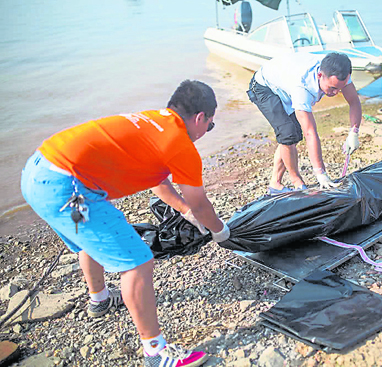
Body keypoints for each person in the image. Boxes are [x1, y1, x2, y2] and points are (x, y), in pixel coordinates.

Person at [20, 80, 229, 367]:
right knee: (138, 263)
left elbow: (158, 179)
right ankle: (156, 352)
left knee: (88, 240)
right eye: (211, 126)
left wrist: (183, 210)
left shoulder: (154, 122)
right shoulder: (181, 144)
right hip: (67, 189)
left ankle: (100, 300)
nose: (207, 132)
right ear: (200, 118)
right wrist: (221, 231)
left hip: (38, 173)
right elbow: (202, 205)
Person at [247, 52, 362, 194]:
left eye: (340, 88)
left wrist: (354, 132)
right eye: (332, 88)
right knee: (288, 134)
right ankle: (297, 183)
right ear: (320, 75)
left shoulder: (339, 73)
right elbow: (310, 133)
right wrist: (321, 173)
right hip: (264, 87)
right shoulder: (302, 88)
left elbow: (354, 101)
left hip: (285, 81)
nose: (336, 92)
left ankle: (274, 183)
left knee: (291, 134)